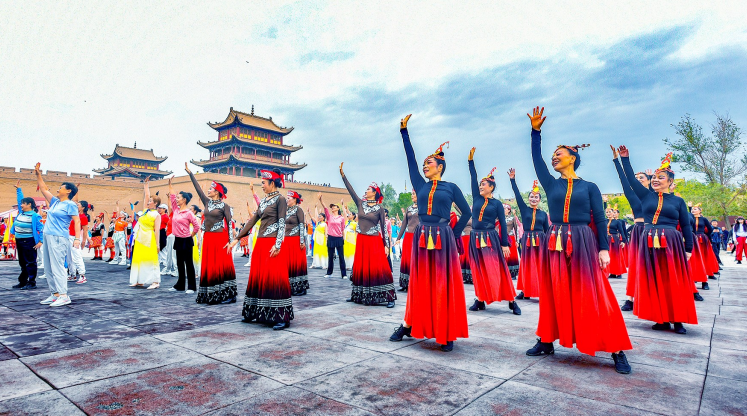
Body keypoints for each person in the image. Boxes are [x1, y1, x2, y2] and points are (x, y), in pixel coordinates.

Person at [525, 107, 631, 374]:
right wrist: (535, 132)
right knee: (553, 291)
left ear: (572, 158)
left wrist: (604, 249)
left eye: (559, 154)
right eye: (553, 155)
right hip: (555, 241)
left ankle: (616, 348)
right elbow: (536, 159)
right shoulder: (551, 184)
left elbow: (600, 219)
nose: (554, 158)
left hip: (584, 240)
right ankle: (546, 340)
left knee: (594, 292)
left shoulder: (590, 187)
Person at [389, 114, 471, 352]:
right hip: (422, 235)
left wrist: (453, 233)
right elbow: (410, 161)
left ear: (440, 167)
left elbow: (466, 212)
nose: (425, 166)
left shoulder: (451, 188)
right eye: (424, 164)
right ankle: (408, 324)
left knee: (443, 282)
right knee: (420, 281)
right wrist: (404, 132)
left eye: (429, 163)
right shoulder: (421, 185)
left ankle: (446, 331)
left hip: (443, 236)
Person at [620, 148, 698, 335]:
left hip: (671, 242)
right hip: (648, 241)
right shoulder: (646, 195)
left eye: (660, 177)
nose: (655, 179)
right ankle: (661, 318)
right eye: (654, 177)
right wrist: (625, 159)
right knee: (654, 280)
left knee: (673, 280)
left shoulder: (678, 202)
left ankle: (678, 320)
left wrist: (688, 248)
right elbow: (630, 179)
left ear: (670, 182)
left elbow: (685, 226)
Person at [230, 169, 292, 330]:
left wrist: (278, 244)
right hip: (261, 243)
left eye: (264, 183)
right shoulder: (264, 201)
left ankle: (281, 317)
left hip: (273, 244)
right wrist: (237, 238)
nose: (262, 186)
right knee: (258, 276)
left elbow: (282, 223)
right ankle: (255, 312)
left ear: (272, 183)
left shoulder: (281, 199)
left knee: (275, 277)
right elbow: (252, 221)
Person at [466, 149, 520, 315]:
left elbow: (503, 224)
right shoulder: (476, 198)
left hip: (490, 238)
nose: (480, 186)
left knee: (496, 269)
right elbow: (473, 177)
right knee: (478, 269)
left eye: (484, 184)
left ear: (491, 188)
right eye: (480, 184)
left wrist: (504, 244)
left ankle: (512, 301)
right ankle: (480, 299)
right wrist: (471, 162)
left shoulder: (497, 204)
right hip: (474, 237)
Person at [339, 164, 396, 307]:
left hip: (374, 240)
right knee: (360, 266)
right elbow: (351, 190)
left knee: (380, 266)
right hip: (361, 240)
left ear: (374, 193)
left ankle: (389, 297)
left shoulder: (379, 209)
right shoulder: (360, 203)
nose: (365, 191)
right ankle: (357, 294)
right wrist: (343, 176)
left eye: (368, 189)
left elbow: (383, 228)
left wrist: (387, 246)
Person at [186, 163, 237, 304]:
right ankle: (210, 294)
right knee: (209, 265)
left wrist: (230, 242)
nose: (208, 191)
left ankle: (229, 295)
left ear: (217, 192)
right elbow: (198, 189)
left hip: (220, 238)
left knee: (222, 265)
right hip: (208, 237)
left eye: (211, 189)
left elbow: (229, 223)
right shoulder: (207, 202)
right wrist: (190, 174)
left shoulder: (225, 206)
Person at [34, 163, 80, 307]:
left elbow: (77, 221)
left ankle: (64, 295)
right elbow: (44, 189)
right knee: (48, 267)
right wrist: (38, 175)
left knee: (58, 266)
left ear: (68, 191)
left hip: (59, 237)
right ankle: (55, 294)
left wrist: (77, 239)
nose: (58, 189)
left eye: (61, 187)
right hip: (47, 236)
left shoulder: (70, 204)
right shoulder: (55, 202)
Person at [611, 147, 649, 311]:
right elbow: (624, 179)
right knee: (635, 265)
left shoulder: (655, 196)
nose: (638, 180)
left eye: (642, 178)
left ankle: (650, 296)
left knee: (652, 266)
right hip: (638, 230)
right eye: (636, 178)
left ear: (649, 181)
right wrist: (617, 161)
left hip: (653, 231)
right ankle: (630, 299)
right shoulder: (632, 194)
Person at [509, 171, 549, 300]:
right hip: (526, 240)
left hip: (540, 241)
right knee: (526, 265)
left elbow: (547, 230)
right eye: (531, 197)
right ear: (529, 198)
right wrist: (513, 180)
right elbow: (517, 195)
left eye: (536, 197)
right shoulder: (524, 209)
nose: (533, 199)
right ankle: (525, 290)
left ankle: (541, 290)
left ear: (539, 200)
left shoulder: (543, 214)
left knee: (539, 265)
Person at [167, 178, 200, 293]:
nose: (176, 199)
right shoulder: (176, 209)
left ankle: (191, 287)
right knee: (179, 263)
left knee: (189, 264)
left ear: (184, 200)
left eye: (179, 198)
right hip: (178, 239)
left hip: (186, 240)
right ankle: (180, 285)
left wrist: (191, 236)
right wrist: (170, 185)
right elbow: (172, 196)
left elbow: (196, 226)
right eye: (177, 198)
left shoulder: (189, 213)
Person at [10, 180, 44, 290]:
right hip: (19, 240)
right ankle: (23, 282)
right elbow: (19, 199)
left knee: (30, 262)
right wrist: (18, 189)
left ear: (29, 204)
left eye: (23, 204)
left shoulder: (35, 216)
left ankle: (32, 282)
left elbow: (41, 229)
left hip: (29, 241)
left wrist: (40, 241)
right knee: (22, 262)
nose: (21, 205)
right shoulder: (22, 212)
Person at [129, 177, 162, 289]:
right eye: (148, 201)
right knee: (139, 259)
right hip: (140, 238)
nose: (148, 202)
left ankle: (155, 282)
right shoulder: (144, 211)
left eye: (150, 201)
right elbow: (146, 195)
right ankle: (140, 280)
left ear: (155, 203)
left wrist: (157, 244)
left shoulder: (157, 215)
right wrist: (146, 184)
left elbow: (157, 230)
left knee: (151, 259)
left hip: (149, 238)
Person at [284, 190, 309, 296]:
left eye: (288, 198)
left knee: (297, 263)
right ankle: (291, 286)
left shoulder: (298, 210)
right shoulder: (286, 210)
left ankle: (301, 288)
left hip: (296, 239)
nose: (287, 200)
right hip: (287, 239)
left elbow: (302, 225)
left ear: (294, 199)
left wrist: (302, 241)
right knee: (289, 263)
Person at [395, 190, 419, 291]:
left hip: (418, 237)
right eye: (412, 194)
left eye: (414, 194)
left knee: (416, 260)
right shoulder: (409, 208)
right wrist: (398, 238)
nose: (412, 196)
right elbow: (404, 224)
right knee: (406, 259)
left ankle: (415, 284)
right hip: (408, 237)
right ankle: (405, 284)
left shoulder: (424, 207)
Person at [690, 204, 718, 289]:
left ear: (700, 211)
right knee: (693, 259)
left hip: (702, 239)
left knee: (703, 258)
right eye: (692, 209)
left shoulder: (704, 219)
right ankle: (693, 278)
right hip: (692, 238)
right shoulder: (690, 218)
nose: (693, 210)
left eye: (695, 209)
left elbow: (710, 229)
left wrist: (706, 236)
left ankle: (704, 280)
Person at [319, 194, 346, 278]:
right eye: (332, 207)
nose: (333, 208)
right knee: (330, 257)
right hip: (331, 238)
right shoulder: (329, 217)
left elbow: (342, 229)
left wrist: (343, 238)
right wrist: (321, 200)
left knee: (341, 257)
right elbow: (325, 207)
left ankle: (344, 274)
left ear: (338, 208)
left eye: (334, 206)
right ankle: (329, 273)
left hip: (339, 238)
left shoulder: (341, 218)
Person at [67, 199, 90, 284]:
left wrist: (83, 241)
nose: (76, 206)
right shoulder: (74, 215)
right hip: (68, 237)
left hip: (75, 238)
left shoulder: (83, 217)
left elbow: (85, 230)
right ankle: (72, 274)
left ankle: (82, 275)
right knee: (69, 257)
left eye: (78, 205)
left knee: (77, 256)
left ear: (83, 207)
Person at [606, 205, 628, 279]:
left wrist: (623, 241)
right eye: (607, 212)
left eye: (610, 212)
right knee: (609, 256)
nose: (608, 213)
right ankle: (612, 272)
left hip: (614, 239)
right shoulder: (605, 221)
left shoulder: (617, 222)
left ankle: (619, 273)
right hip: (607, 239)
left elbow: (622, 231)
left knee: (616, 256)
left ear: (613, 213)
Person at [157, 203, 170, 269]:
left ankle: (165, 262)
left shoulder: (165, 217)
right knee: (158, 246)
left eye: (161, 208)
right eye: (159, 208)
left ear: (165, 209)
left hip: (162, 232)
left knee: (163, 247)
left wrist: (166, 232)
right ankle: (159, 260)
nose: (159, 209)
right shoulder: (158, 215)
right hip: (157, 232)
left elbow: (168, 225)